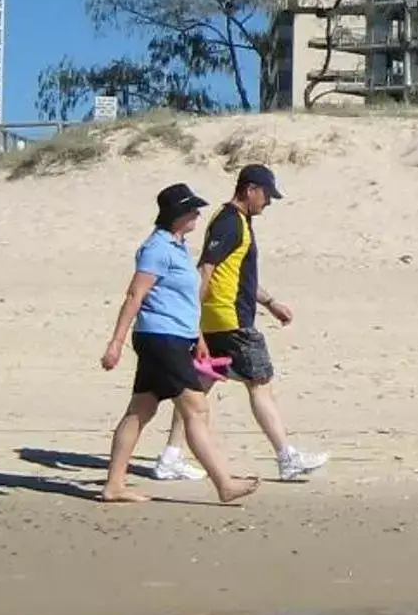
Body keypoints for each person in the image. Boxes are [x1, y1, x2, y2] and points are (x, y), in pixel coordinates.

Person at [97, 182, 259, 508]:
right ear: (176, 214)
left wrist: (197, 339)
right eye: (191, 209)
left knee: (141, 410)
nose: (197, 214)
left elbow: (184, 301)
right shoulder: (156, 248)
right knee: (196, 409)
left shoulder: (178, 246)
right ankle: (224, 484)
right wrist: (115, 342)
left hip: (173, 337)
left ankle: (114, 485)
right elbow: (135, 295)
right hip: (161, 339)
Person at [189, 162, 327, 482]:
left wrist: (270, 302)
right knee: (260, 384)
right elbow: (205, 271)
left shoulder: (236, 221)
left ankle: (170, 455)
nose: (268, 202)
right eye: (266, 195)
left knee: (197, 389)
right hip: (231, 322)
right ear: (250, 190)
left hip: (218, 320)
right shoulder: (230, 223)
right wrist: (191, 319)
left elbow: (238, 277)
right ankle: (286, 457)